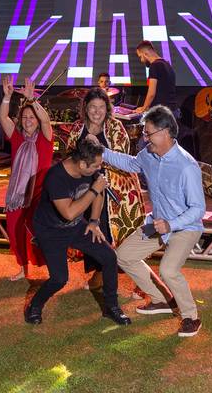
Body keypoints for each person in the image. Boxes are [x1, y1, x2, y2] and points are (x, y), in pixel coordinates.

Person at [90, 105, 205, 337]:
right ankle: (161, 299)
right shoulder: (148, 154)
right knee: (123, 255)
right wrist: (102, 151)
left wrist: (171, 225)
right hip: (157, 222)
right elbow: (130, 163)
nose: (144, 137)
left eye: (148, 133)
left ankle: (191, 317)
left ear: (165, 132)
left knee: (168, 269)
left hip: (184, 227)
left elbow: (198, 209)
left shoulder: (187, 166)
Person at [24, 139, 131, 326]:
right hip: (51, 231)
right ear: (82, 164)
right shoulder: (56, 177)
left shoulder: (90, 169)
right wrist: (94, 189)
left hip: (76, 226)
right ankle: (35, 305)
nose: (99, 168)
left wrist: (94, 221)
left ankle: (111, 307)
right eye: (96, 165)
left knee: (109, 257)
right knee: (59, 279)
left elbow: (100, 192)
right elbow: (69, 213)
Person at [66, 87, 146, 290]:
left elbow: (123, 161)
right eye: (93, 107)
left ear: (107, 108)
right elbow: (69, 156)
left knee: (109, 233)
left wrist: (98, 149)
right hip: (85, 189)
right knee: (89, 230)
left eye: (101, 107)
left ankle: (112, 275)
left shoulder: (116, 127)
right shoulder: (77, 127)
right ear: (86, 108)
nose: (97, 111)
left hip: (114, 190)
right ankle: (99, 271)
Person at [0, 76, 53, 281]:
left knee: (42, 234)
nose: (28, 120)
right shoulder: (17, 138)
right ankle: (23, 269)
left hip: (40, 195)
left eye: (32, 117)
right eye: (24, 117)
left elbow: (46, 120)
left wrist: (32, 100)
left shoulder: (45, 138)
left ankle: (53, 271)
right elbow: (3, 118)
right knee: (16, 232)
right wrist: (7, 97)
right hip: (18, 196)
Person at [133, 41, 178, 117]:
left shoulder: (154, 66)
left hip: (162, 113)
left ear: (146, 54)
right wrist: (146, 107)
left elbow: (151, 93)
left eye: (140, 57)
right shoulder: (167, 64)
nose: (141, 60)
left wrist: (144, 108)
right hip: (171, 110)